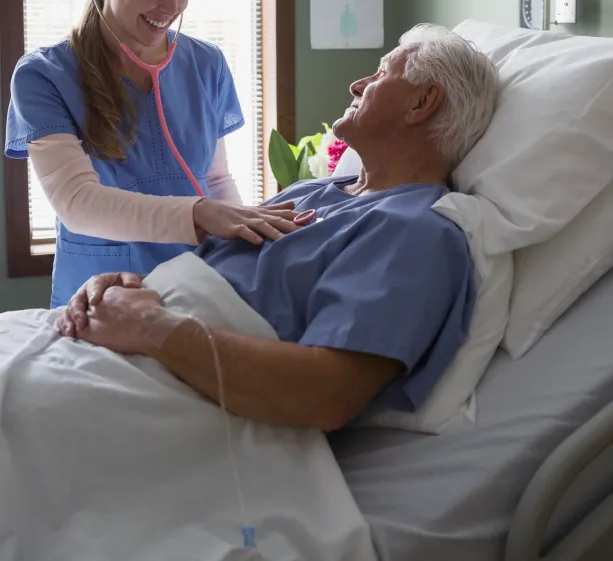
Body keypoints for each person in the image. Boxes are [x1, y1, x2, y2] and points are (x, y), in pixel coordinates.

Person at [58, 25, 500, 429]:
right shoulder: (311, 191)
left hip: (171, 396)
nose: (357, 84)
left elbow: (327, 395)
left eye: (381, 73)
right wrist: (128, 288)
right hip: (117, 352)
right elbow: (208, 279)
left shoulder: (416, 232)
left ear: (423, 102)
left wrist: (149, 326)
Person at [5, 0, 304, 309]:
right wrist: (200, 214)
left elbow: (215, 181)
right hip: (102, 292)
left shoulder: (206, 64)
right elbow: (77, 203)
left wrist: (246, 253)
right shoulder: (44, 75)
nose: (172, 7)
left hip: (197, 284)